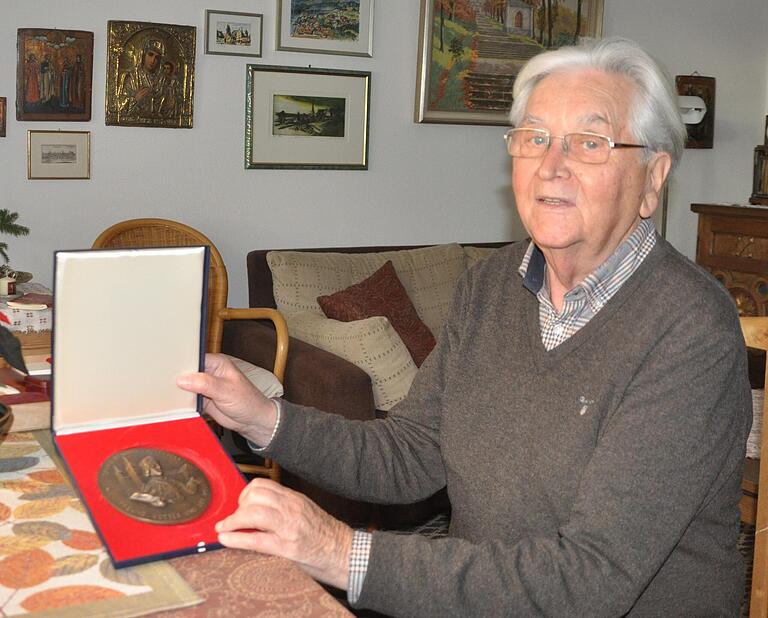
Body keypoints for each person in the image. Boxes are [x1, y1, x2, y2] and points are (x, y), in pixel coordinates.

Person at [178, 37, 751, 616]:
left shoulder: (690, 327)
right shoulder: (492, 285)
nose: (552, 166)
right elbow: (411, 453)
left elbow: (590, 579)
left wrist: (340, 551)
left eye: (590, 142)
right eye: (534, 138)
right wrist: (262, 416)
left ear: (652, 179)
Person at [117, 37, 165, 117]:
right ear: (143, 55)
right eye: (150, 55)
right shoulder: (132, 77)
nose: (153, 60)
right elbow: (120, 106)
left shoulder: (162, 80)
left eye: (157, 58)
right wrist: (135, 99)